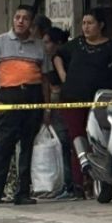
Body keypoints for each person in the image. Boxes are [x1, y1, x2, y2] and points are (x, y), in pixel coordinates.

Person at [0, 5, 50, 207]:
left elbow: (45, 78)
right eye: (17, 17)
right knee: (3, 146)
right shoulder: (0, 42)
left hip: (32, 97)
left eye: (25, 19)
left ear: (31, 24)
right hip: (9, 97)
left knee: (27, 147)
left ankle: (22, 193)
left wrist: (47, 107)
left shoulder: (39, 46)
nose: (20, 21)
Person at [55, 11, 112, 198]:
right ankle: (80, 184)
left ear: (101, 25)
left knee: (100, 140)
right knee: (77, 139)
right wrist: (64, 77)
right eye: (83, 23)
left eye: (90, 23)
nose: (86, 27)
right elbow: (58, 55)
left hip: (101, 101)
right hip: (72, 99)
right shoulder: (76, 44)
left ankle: (103, 180)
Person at [41, 26, 74, 198]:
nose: (44, 46)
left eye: (47, 42)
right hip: (61, 101)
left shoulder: (57, 58)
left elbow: (59, 82)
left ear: (57, 43)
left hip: (60, 102)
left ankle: (70, 184)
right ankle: (67, 183)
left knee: (64, 144)